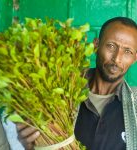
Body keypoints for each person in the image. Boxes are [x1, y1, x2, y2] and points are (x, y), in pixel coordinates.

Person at [16, 17, 137, 150]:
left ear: (135, 58)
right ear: (96, 45)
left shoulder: (135, 104)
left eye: (127, 51)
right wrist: (32, 145)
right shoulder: (57, 92)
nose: (117, 58)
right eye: (111, 46)